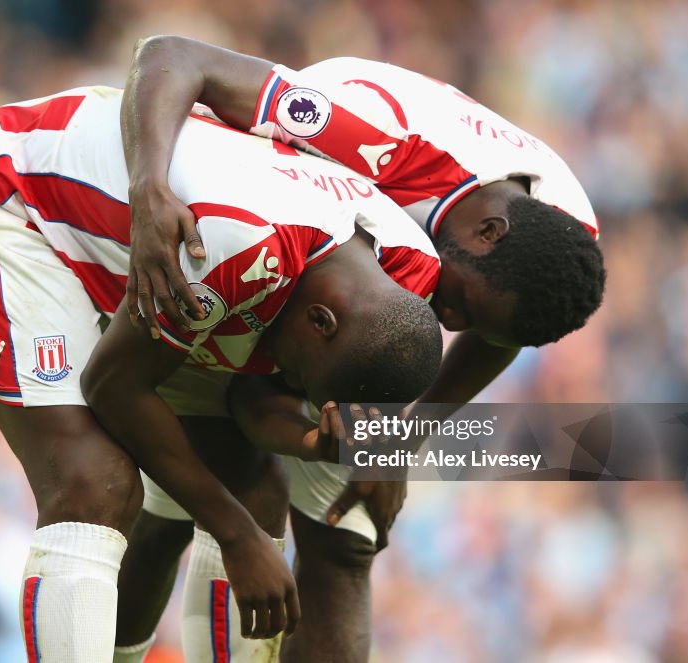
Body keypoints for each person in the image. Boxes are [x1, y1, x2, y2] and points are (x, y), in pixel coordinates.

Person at [112, 36, 607, 663]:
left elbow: (496, 336)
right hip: (273, 219)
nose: (445, 320)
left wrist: (399, 438)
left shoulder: (563, 243)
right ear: (487, 233)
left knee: (349, 534)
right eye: (458, 310)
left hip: (365, 281)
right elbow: (177, 57)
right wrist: (147, 190)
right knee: (212, 473)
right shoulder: (372, 137)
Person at [0, 84, 444, 663]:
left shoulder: (408, 264)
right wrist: (237, 536)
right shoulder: (233, 246)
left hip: (143, 252)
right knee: (94, 484)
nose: (285, 373)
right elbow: (113, 385)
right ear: (320, 322)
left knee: (253, 486)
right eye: (299, 371)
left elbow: (252, 394)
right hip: (4, 201)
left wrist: (332, 442)